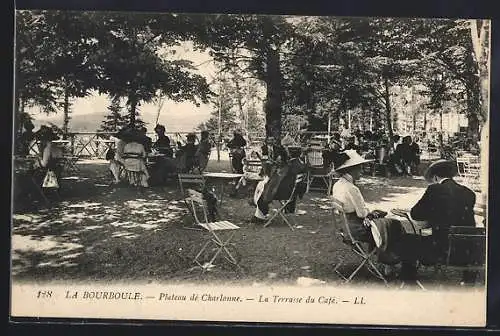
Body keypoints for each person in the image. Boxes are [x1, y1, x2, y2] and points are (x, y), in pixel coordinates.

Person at [330, 150, 414, 274]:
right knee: (393, 225)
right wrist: (373, 213)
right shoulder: (352, 188)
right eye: (359, 169)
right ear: (351, 170)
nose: (362, 172)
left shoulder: (337, 185)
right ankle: (389, 261)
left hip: (345, 228)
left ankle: (387, 262)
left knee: (388, 224)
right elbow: (362, 214)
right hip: (356, 230)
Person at [409, 159, 478, 285]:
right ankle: (467, 280)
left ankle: (408, 279)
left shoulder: (434, 190)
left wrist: (432, 214)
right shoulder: (469, 193)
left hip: (440, 248)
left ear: (435, 177)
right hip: (465, 250)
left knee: (409, 239)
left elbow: (415, 214)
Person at [251, 146, 307, 222]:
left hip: (283, 193)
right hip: (289, 193)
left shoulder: (285, 169)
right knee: (262, 187)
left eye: (277, 158)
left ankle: (259, 215)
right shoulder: (293, 165)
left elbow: (275, 184)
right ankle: (258, 214)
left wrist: (271, 169)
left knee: (262, 190)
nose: (276, 159)